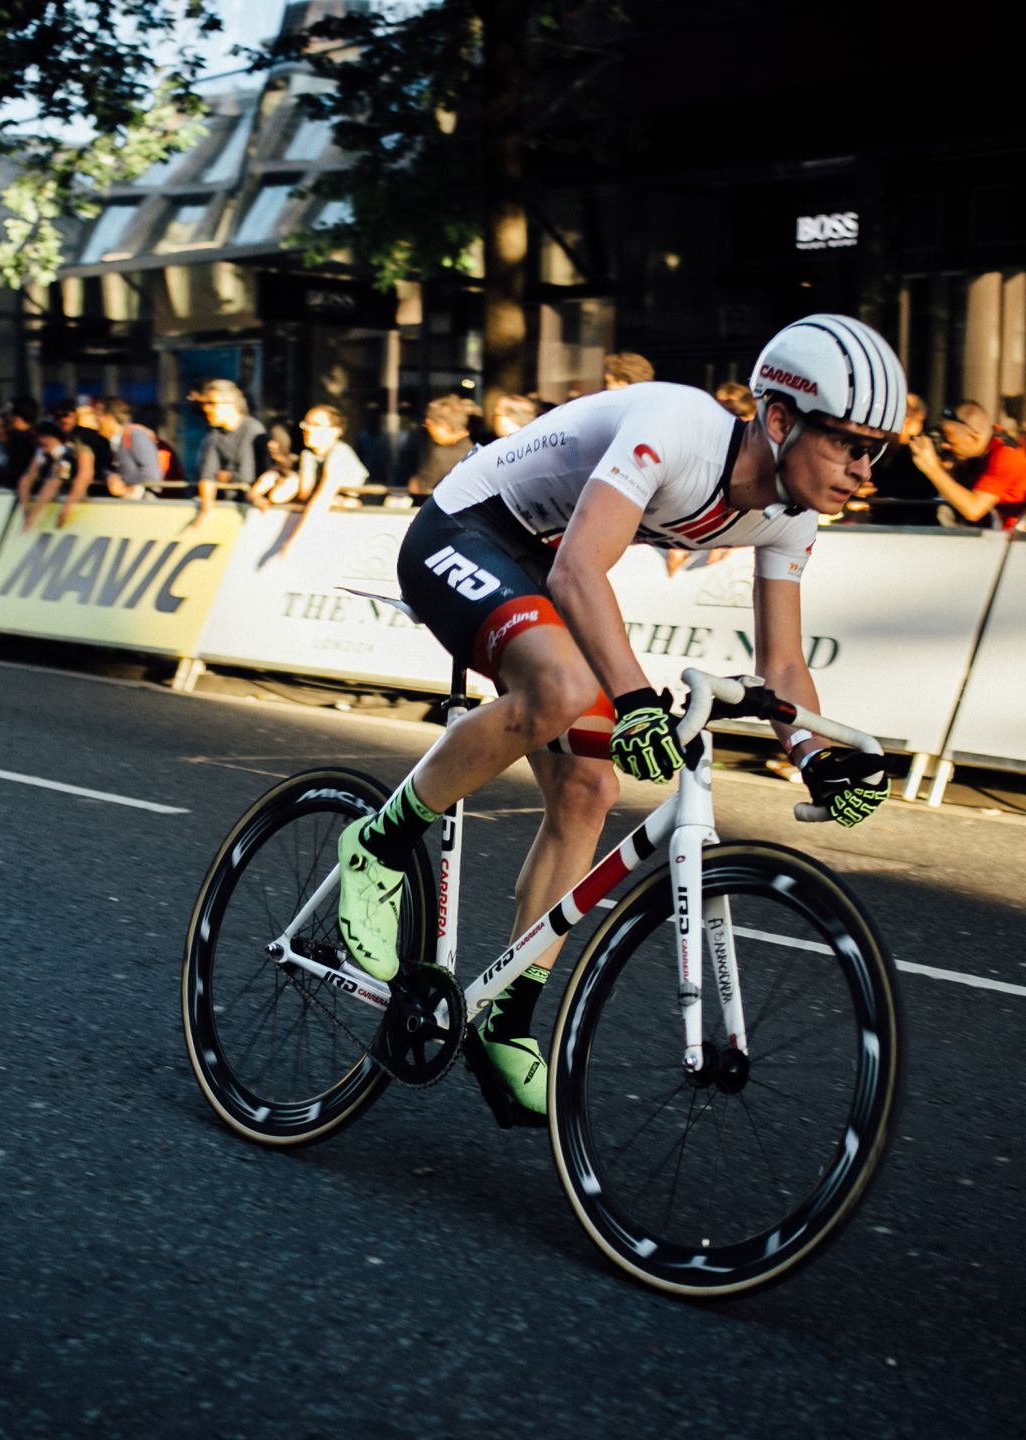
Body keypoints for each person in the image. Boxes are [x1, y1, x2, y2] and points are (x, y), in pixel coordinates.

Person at [332, 314, 899, 1119]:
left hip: (538, 559)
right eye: (848, 443)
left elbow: (781, 664)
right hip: (463, 528)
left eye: (877, 450)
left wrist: (816, 754)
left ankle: (506, 1021)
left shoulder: (793, 516)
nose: (863, 468)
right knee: (562, 691)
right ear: (779, 419)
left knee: (590, 786)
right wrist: (634, 701)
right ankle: (378, 843)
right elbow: (578, 572)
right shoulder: (678, 427)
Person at [916, 401, 1026, 529]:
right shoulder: (986, 442)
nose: (945, 446)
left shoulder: (1007, 456)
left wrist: (932, 469)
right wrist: (947, 468)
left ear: (974, 438)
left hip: (1014, 536)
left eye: (950, 442)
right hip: (985, 532)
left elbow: (973, 510)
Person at [266, 404, 368, 558]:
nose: (308, 429)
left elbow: (322, 498)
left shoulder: (340, 453)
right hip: (327, 517)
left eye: (316, 425)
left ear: (336, 431)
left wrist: (294, 541)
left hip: (357, 522)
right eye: (306, 424)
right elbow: (302, 494)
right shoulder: (308, 454)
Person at [192, 379, 264, 527]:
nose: (206, 409)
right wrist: (206, 508)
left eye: (212, 403)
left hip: (247, 508)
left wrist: (223, 476)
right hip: (224, 503)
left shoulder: (252, 430)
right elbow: (206, 474)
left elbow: (246, 476)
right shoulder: (214, 433)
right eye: (204, 404)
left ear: (231, 404)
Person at [397, 393, 479, 498]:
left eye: (430, 426)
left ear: (444, 427)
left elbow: (417, 488)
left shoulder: (442, 456)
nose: (430, 433)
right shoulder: (473, 450)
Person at [94, 397, 161, 496]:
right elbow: (107, 468)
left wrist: (127, 490)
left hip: (143, 501)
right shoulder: (107, 441)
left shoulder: (136, 436)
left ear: (110, 417)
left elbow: (152, 476)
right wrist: (110, 477)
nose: (95, 420)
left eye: (98, 416)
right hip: (124, 500)